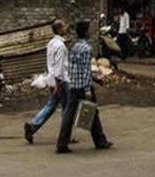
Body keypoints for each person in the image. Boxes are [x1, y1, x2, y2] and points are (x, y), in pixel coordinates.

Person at [56, 21, 112, 154]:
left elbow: (77, 68)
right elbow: (86, 71)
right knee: (93, 112)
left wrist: (96, 79)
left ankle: (62, 144)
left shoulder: (75, 47)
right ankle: (100, 141)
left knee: (68, 115)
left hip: (74, 86)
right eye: (88, 29)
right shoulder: (86, 49)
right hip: (83, 87)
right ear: (86, 32)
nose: (90, 32)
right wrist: (88, 89)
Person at [24, 19, 69, 144]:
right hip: (61, 81)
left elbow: (51, 64)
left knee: (51, 105)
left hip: (52, 79)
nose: (66, 28)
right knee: (67, 109)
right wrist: (58, 84)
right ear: (59, 29)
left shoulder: (51, 43)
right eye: (64, 26)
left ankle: (33, 126)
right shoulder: (60, 46)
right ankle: (65, 137)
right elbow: (59, 67)